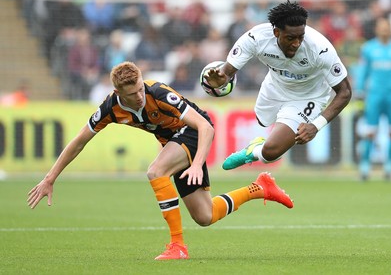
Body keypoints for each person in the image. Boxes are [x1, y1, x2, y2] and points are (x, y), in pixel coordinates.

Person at [27, 61, 294, 261]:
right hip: (174, 144)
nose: (140, 96)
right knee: (205, 216)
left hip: (192, 133)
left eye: (141, 88)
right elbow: (79, 140)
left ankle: (177, 245)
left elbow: (205, 127)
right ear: (118, 92)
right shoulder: (110, 108)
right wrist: (50, 178)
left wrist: (197, 162)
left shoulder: (159, 93)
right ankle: (260, 188)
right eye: (132, 94)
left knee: (156, 171)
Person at [204, 0, 352, 171]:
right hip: (274, 86)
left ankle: (253, 152)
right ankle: (259, 143)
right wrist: (219, 82)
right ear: (276, 32)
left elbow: (345, 92)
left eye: (300, 37)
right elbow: (226, 73)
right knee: (261, 121)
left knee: (271, 152)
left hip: (308, 97)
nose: (297, 43)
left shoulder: (320, 49)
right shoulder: (256, 38)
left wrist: (316, 125)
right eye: (290, 38)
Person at [355, 17, 391, 181]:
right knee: (370, 132)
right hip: (374, 95)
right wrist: (359, 92)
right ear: (376, 29)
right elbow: (363, 71)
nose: (384, 30)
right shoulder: (368, 48)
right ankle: (365, 166)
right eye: (381, 27)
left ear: (390, 29)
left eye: (386, 27)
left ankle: (389, 166)